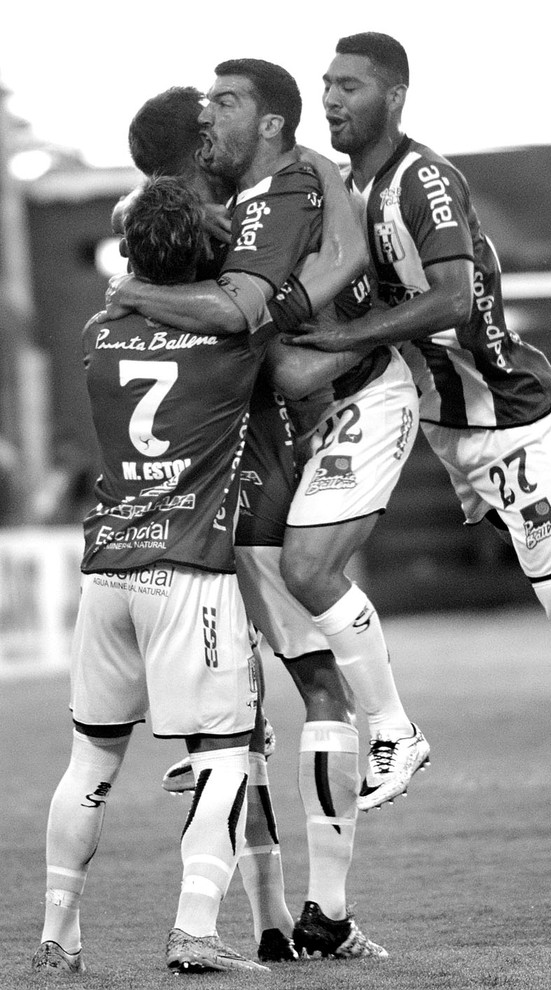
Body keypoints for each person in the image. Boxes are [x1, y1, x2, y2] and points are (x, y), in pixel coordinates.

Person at [286, 31, 551, 880]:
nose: (332, 98)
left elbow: (446, 296)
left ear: (394, 96)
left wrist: (342, 335)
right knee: (545, 525)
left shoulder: (423, 181)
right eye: (326, 83)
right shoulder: (353, 185)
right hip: (452, 421)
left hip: (511, 411)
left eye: (351, 86)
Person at [103, 61, 430, 816]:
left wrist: (278, 307)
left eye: (224, 110)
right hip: (248, 433)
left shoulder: (293, 180)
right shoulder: (188, 212)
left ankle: (382, 735)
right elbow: (140, 225)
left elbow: (333, 272)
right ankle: (303, 906)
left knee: (307, 611)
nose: (214, 123)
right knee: (219, 591)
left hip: (319, 405)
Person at [123, 82, 391, 959]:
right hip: (256, 481)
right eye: (208, 124)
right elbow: (276, 349)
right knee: (320, 686)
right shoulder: (232, 233)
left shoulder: (141, 257)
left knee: (230, 730)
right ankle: (326, 912)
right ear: (198, 150)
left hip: (170, 518)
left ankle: (270, 924)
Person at [31, 176, 273, 977]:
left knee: (89, 764)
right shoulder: (233, 341)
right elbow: (275, 351)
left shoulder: (102, 329)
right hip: (189, 572)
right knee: (226, 754)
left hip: (107, 572)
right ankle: (196, 929)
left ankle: (57, 936)